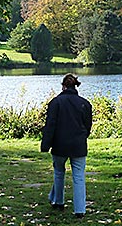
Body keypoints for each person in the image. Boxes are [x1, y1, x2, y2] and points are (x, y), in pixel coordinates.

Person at [41, 73, 93, 218]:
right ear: (75, 86)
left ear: (63, 86)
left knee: (59, 172)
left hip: (59, 145)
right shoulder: (84, 103)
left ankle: (58, 201)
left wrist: (46, 145)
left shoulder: (56, 102)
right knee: (79, 177)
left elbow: (50, 126)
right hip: (78, 145)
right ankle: (80, 210)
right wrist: (83, 137)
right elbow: (88, 125)